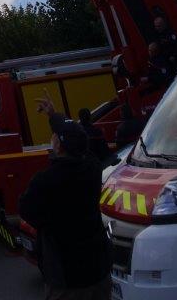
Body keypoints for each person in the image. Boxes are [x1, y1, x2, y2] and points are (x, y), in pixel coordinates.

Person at [19, 97, 111, 300]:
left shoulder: (45, 180)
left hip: (66, 279)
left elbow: (26, 209)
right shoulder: (93, 168)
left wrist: (49, 223)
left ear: (59, 146)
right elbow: (78, 139)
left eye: (54, 135)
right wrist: (54, 116)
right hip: (99, 272)